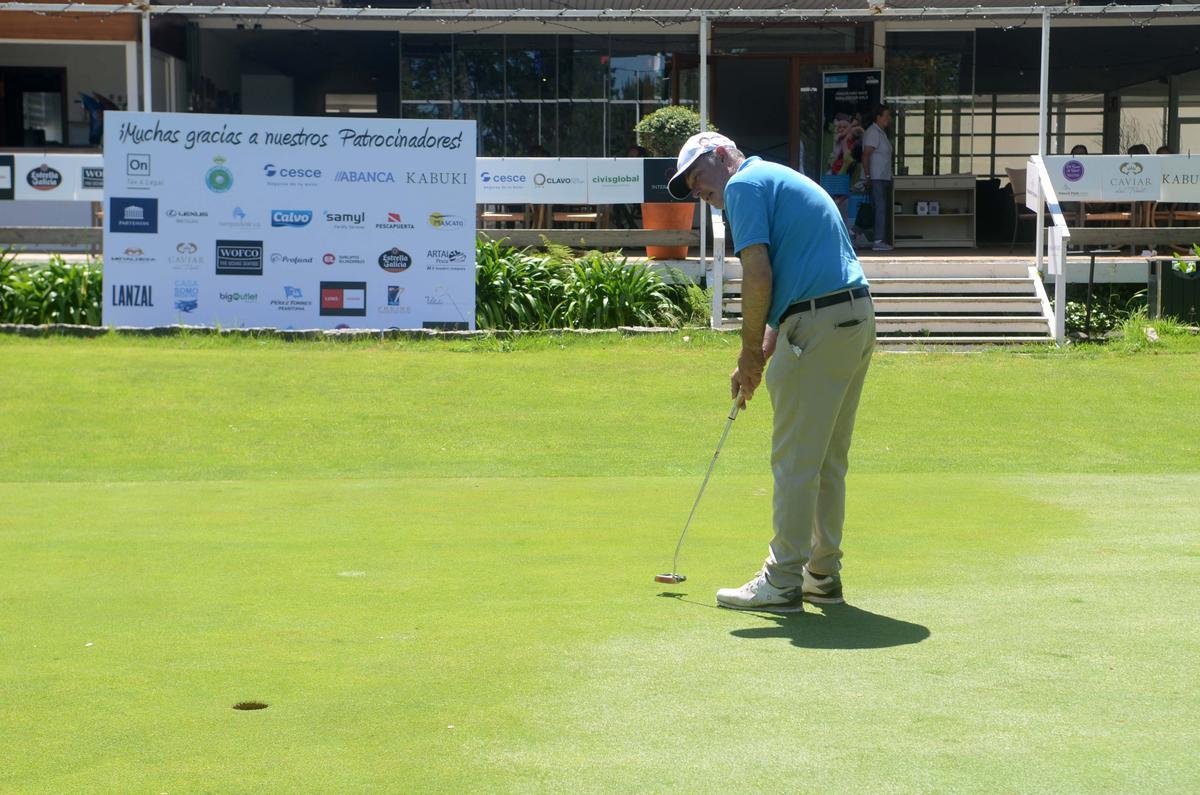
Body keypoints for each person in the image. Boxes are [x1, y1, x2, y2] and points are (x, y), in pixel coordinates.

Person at [667, 132, 874, 611]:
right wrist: (760, 352)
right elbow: (796, 276)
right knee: (824, 460)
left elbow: (758, 274)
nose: (697, 190)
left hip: (820, 323)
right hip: (853, 318)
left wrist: (746, 354)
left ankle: (782, 581)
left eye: (697, 176)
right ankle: (820, 575)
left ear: (722, 156)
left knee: (796, 461)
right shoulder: (776, 178)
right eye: (689, 185)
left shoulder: (742, 185)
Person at [862, 104, 894, 252]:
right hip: (876, 177)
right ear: (878, 117)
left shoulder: (881, 132)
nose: (889, 119)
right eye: (886, 115)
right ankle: (878, 240)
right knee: (880, 208)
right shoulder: (873, 133)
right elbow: (866, 155)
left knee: (877, 208)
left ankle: (853, 233)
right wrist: (867, 176)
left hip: (882, 177)